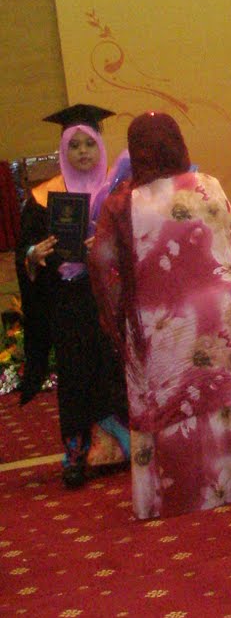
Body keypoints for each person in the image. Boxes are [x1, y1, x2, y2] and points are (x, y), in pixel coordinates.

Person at [89, 112, 231, 519]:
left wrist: (121, 314)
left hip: (162, 323)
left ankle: (177, 498)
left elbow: (102, 264)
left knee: (170, 403)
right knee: (224, 395)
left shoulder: (121, 205)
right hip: (219, 312)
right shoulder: (208, 184)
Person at [17, 104, 129, 488]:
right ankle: (77, 452)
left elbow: (138, 245)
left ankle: (119, 448)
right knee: (76, 374)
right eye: (74, 146)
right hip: (67, 301)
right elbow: (25, 254)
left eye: (89, 144)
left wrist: (108, 247)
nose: (82, 152)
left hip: (109, 298)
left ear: (100, 146)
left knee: (113, 369)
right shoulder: (43, 198)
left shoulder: (117, 192)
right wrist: (34, 255)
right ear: (64, 151)